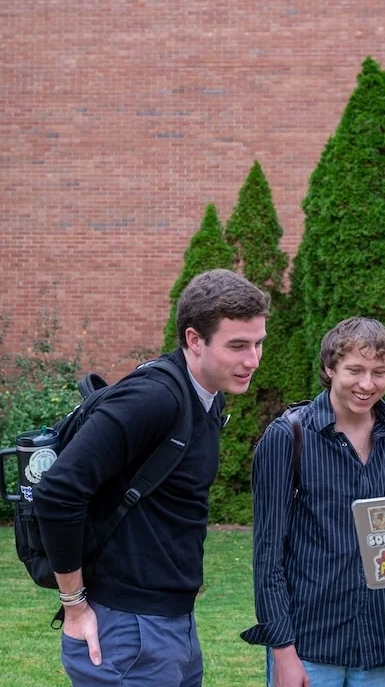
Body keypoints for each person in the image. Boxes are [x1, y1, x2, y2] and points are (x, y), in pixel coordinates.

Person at [33, 268, 270, 687]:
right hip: (124, 630)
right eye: (237, 346)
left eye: (258, 344)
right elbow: (58, 491)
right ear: (194, 340)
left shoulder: (207, 397)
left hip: (171, 623)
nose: (252, 360)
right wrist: (74, 605)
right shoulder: (154, 397)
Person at [241, 317, 385, 687]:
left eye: (380, 372)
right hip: (307, 646)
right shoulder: (288, 436)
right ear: (330, 369)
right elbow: (268, 553)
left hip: (380, 647)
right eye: (355, 370)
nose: (367, 384)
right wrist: (282, 651)